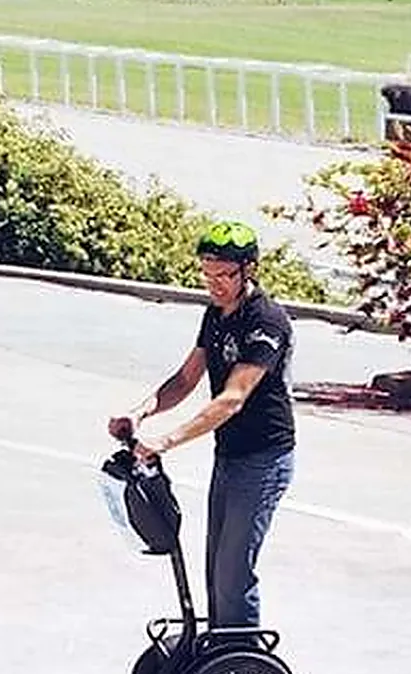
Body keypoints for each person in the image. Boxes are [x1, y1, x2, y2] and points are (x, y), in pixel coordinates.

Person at [108, 220, 295, 630]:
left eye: (224, 275)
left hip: (264, 460)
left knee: (233, 573)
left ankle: (241, 658)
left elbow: (232, 398)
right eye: (207, 275)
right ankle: (220, 654)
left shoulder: (266, 322)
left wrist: (166, 440)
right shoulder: (215, 315)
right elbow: (185, 379)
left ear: (248, 269)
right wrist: (139, 413)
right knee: (216, 569)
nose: (215, 285)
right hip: (229, 455)